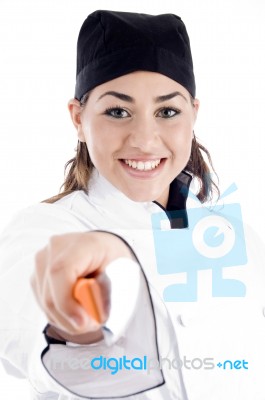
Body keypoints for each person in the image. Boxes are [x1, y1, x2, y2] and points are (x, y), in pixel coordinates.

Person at [0, 9, 265, 400]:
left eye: (167, 112)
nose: (144, 139)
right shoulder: (44, 231)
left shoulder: (238, 237)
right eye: (118, 111)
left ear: (194, 115)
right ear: (78, 118)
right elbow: (43, 344)